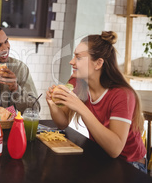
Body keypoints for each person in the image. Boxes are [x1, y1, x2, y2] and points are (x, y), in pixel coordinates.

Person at [46, 31, 147, 173]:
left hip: (130, 165)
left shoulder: (122, 95)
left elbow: (115, 149)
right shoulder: (77, 81)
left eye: (79, 58)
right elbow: (62, 123)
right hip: (101, 156)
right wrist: (52, 105)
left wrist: (81, 107)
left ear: (98, 63)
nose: (72, 62)